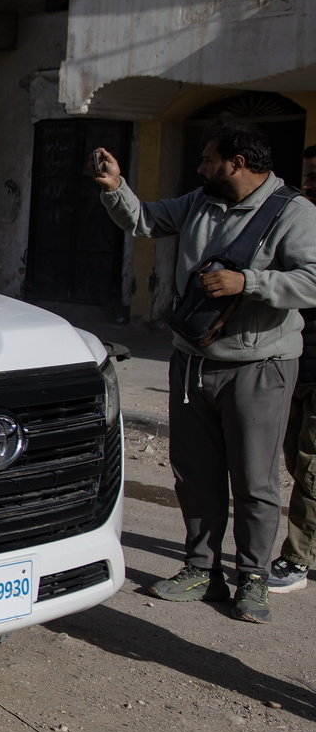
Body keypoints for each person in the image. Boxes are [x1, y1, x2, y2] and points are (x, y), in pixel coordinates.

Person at [94, 126, 316, 623]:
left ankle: (252, 578)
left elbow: (312, 280)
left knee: (255, 480)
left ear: (237, 163)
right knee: (194, 474)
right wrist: (115, 188)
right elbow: (145, 220)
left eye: (208, 159)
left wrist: (248, 282)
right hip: (192, 361)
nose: (200, 168)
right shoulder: (201, 201)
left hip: (259, 366)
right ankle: (201, 569)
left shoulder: (294, 212)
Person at [272, 142, 316, 593]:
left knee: (310, 466)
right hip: (296, 362)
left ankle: (298, 559)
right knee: (294, 457)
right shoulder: (297, 223)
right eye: (307, 177)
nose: (308, 185)